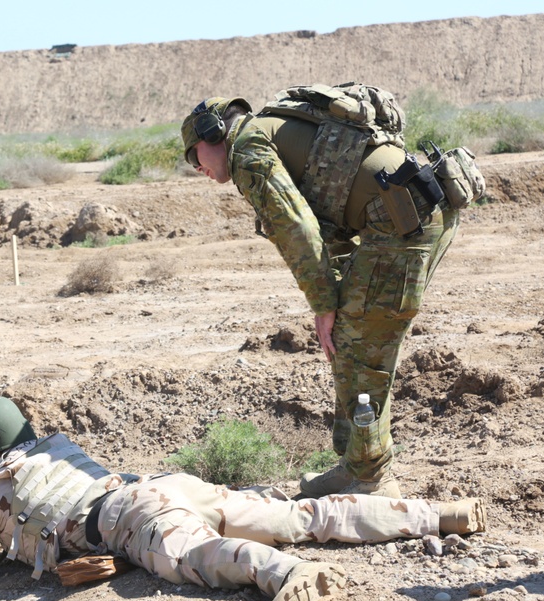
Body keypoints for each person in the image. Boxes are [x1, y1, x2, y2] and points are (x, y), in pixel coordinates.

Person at [0, 396, 486, 601]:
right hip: (160, 486)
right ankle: (433, 515)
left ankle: (283, 574)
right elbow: (43, 497)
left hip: (127, 519)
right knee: (298, 513)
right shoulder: (56, 445)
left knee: (196, 557)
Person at [180, 87, 479, 499]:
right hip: (421, 210)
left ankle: (370, 478)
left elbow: (296, 229)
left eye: (194, 156)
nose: (197, 168)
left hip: (400, 222)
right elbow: (329, 229)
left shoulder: (247, 147)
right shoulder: (276, 126)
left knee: (359, 348)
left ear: (213, 134)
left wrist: (324, 306)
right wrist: (336, 297)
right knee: (360, 341)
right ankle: (357, 466)